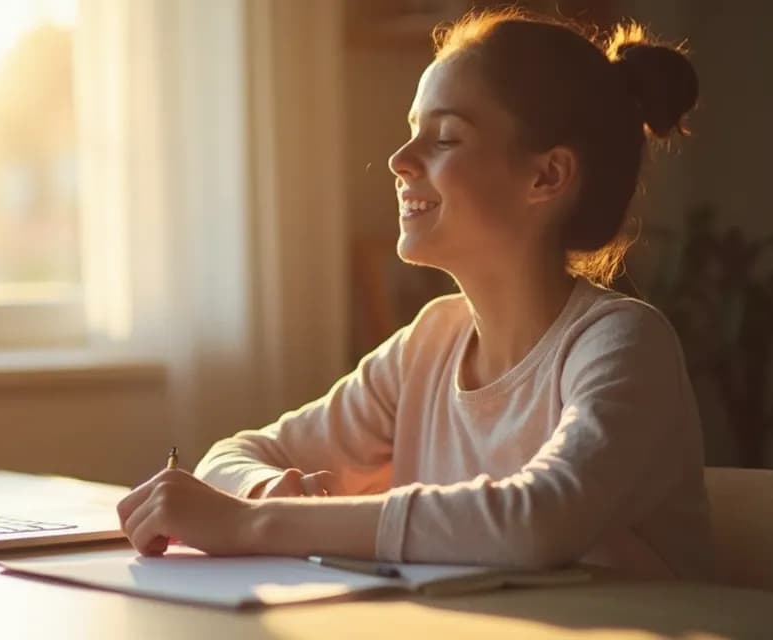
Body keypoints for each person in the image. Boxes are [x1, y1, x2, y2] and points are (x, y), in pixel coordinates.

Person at [116, 9, 712, 579]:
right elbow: (234, 455)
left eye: (446, 138)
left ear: (547, 176)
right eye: (411, 133)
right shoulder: (430, 343)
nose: (400, 161)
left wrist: (255, 522)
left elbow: (538, 521)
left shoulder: (620, 343)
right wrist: (264, 489)